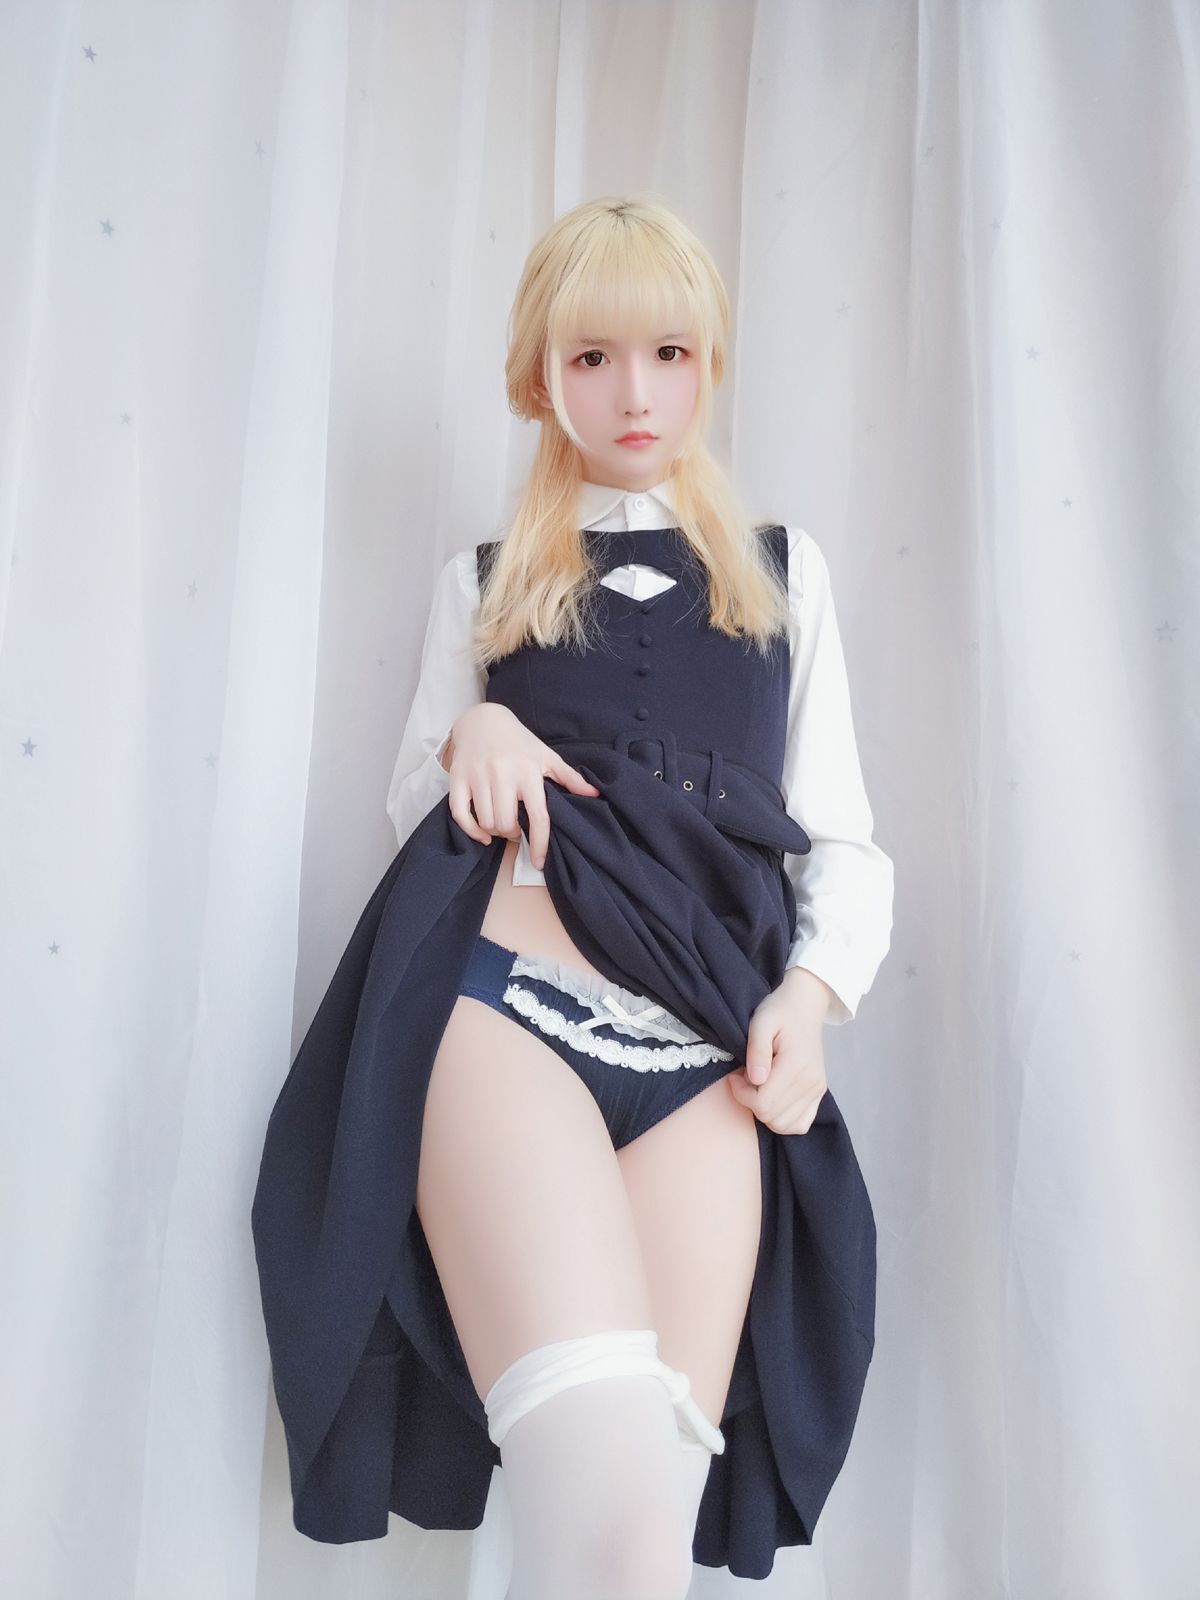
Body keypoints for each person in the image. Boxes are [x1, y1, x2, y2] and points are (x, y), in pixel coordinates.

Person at [251, 194, 894, 1597]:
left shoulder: (785, 577)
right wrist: (471, 737)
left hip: (708, 1058)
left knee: (640, 1547)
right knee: (596, 1513)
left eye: (668, 353)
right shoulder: (483, 585)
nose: (634, 393)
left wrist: (811, 996)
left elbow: (842, 839)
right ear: (540, 377)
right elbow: (420, 815)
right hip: (507, 1018)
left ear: (709, 364)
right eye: (593, 357)